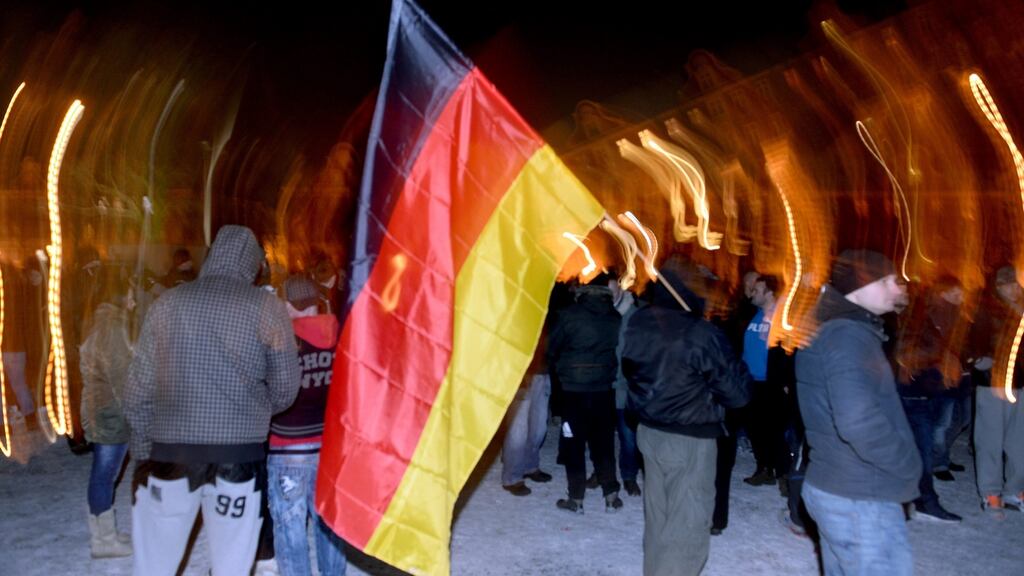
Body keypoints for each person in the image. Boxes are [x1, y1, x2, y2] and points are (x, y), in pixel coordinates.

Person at [124, 225, 300, 576]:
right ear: (253, 265)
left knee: (155, 562)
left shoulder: (168, 304)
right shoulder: (266, 308)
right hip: (238, 457)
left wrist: (145, 446)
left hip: (171, 455)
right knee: (232, 561)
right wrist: (253, 412)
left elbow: (137, 389)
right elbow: (286, 387)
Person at [796, 250, 920, 576]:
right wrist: (907, 463)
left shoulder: (833, 330)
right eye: (891, 280)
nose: (899, 288)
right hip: (861, 497)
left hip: (842, 487)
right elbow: (857, 422)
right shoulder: (846, 336)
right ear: (862, 285)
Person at [622, 262, 751, 576]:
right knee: (687, 525)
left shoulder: (639, 322)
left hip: (650, 432)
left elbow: (631, 369)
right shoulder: (701, 333)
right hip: (690, 438)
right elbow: (737, 394)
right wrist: (737, 369)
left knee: (660, 517)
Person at [267, 275, 347, 575]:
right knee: (329, 524)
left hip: (289, 447)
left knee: (290, 528)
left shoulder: (281, 341)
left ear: (288, 304)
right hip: (330, 446)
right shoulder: (341, 334)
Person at [548, 275, 623, 513]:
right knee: (603, 443)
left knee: (574, 444)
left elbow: (553, 347)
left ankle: (576, 498)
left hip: (574, 390)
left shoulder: (568, 315)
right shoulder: (615, 317)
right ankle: (611, 494)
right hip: (603, 389)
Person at [80, 266, 134, 558]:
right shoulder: (112, 328)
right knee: (104, 475)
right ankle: (103, 541)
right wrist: (136, 410)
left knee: (105, 475)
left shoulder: (101, 322)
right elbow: (121, 378)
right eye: (130, 294)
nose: (134, 300)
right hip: (109, 413)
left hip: (99, 408)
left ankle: (105, 533)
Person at [967, 265, 1024, 518]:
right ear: (999, 286)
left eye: (1016, 283)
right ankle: (990, 492)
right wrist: (981, 360)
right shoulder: (986, 310)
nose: (1014, 288)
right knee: (990, 438)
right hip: (993, 383)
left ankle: (1016, 489)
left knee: (1019, 439)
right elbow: (973, 342)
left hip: (1020, 382)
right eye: (1008, 284)